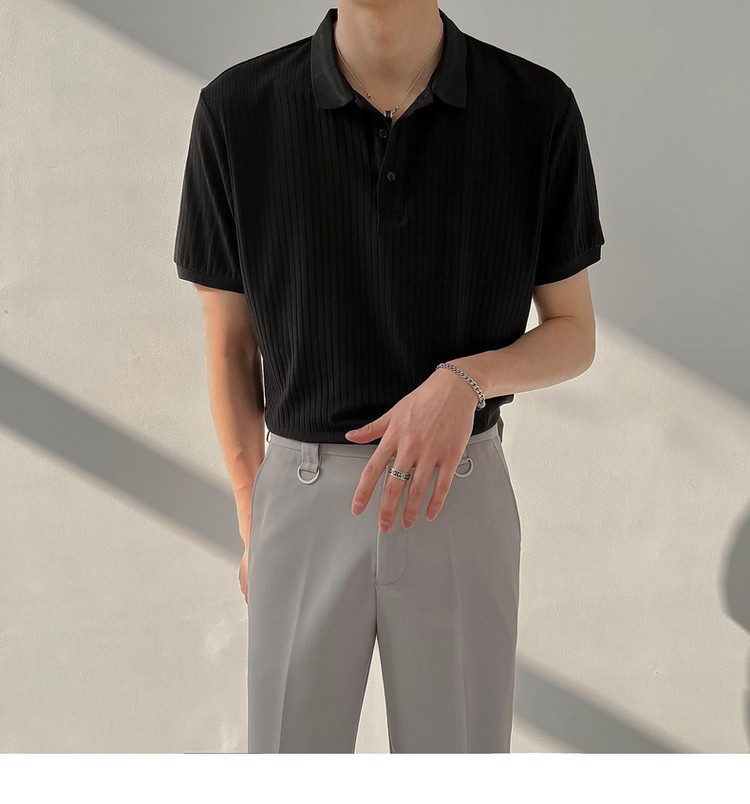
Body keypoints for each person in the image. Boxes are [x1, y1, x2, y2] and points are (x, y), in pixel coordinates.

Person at [173, 1, 605, 753]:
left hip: (457, 487)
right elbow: (230, 352)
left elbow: (574, 332)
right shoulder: (237, 111)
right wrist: (252, 517)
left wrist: (466, 380)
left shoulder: (535, 108)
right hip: (301, 497)